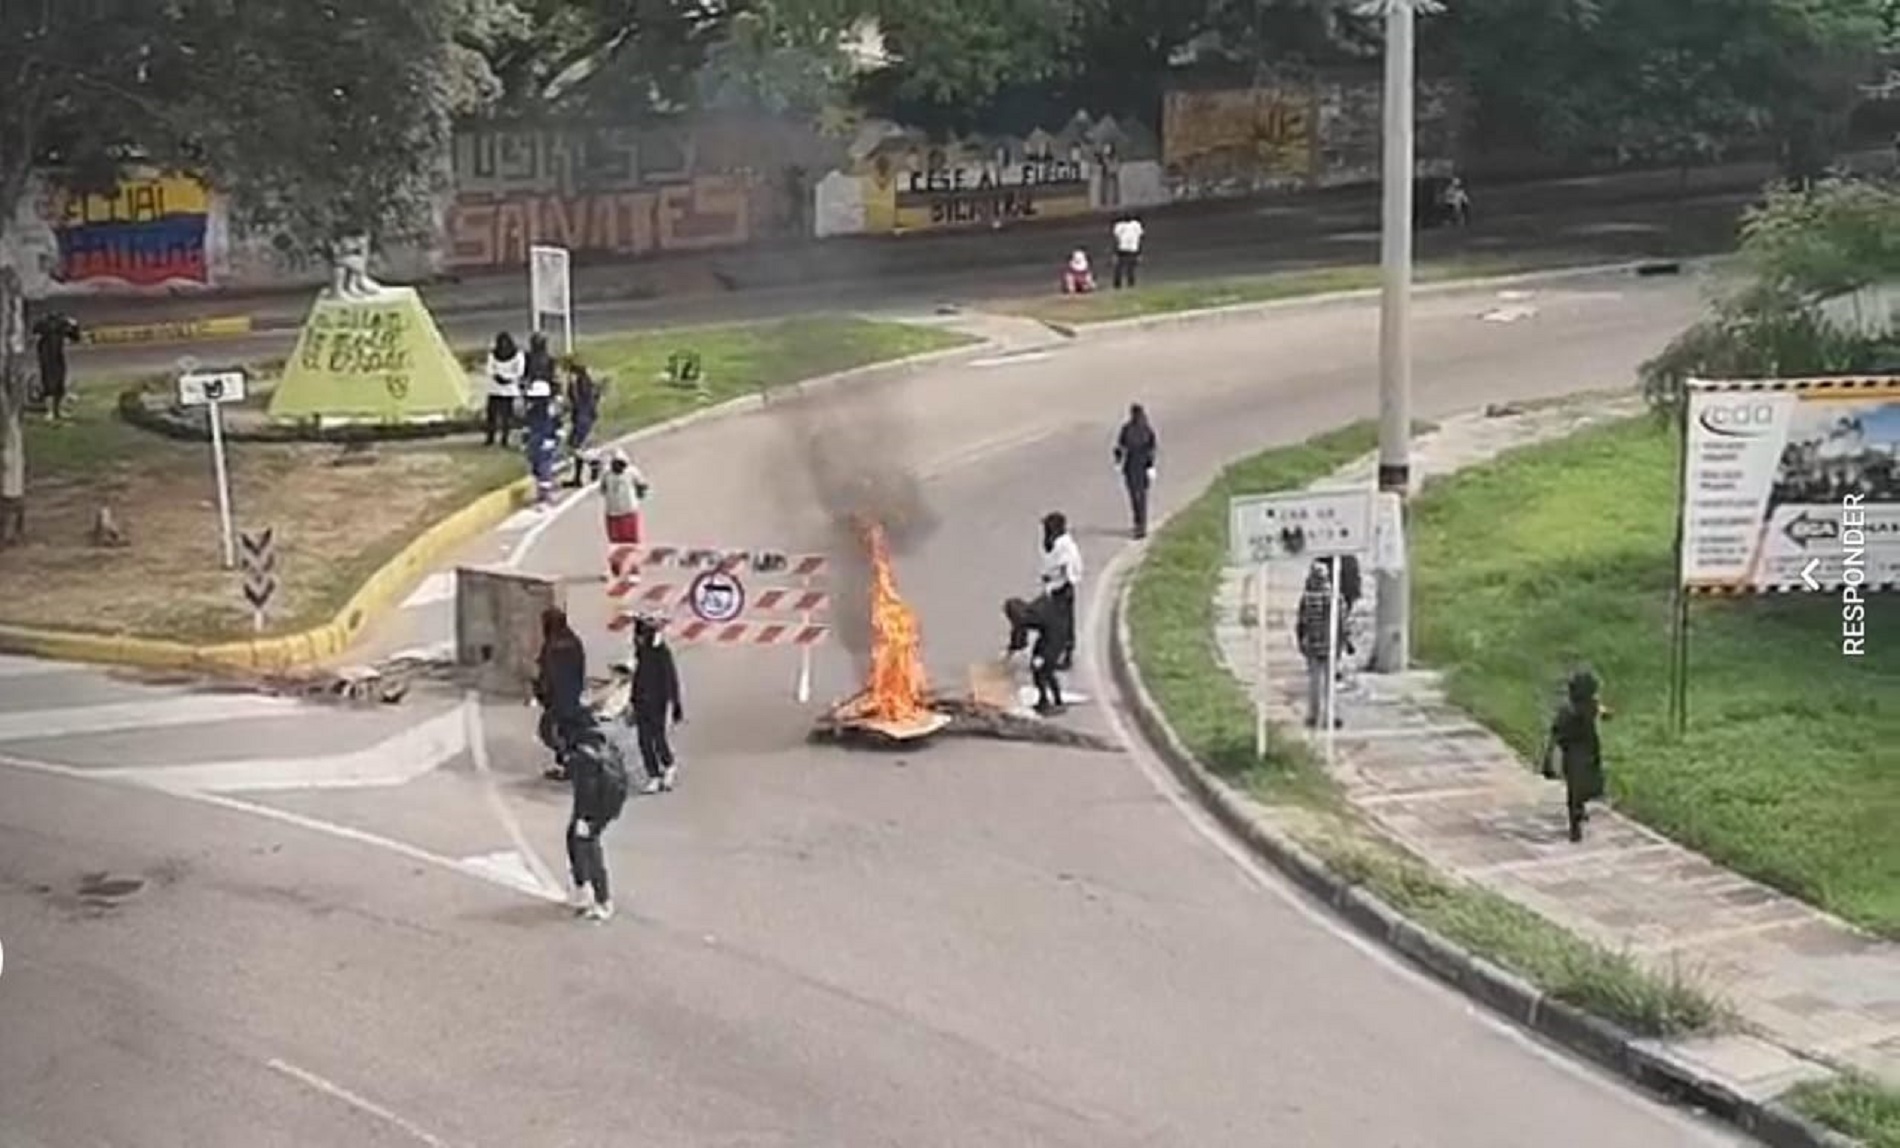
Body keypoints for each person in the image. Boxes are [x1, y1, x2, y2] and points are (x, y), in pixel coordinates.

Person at [563, 716, 628, 921]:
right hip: (606, 806)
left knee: (588, 847)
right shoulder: (602, 745)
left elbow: (586, 791)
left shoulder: (583, 758)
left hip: (592, 810)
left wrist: (585, 819)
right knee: (576, 840)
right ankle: (582, 887)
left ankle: (601, 899)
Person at [1541, 670, 1612, 843]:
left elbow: (1555, 734)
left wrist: (1550, 755)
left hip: (1575, 752)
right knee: (1581, 786)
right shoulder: (1577, 709)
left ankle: (1577, 812)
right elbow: (1600, 712)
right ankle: (1576, 819)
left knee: (1577, 787)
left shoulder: (1573, 708)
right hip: (1581, 751)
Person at [626, 613, 685, 795]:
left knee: (658, 738)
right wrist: (632, 702)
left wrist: (676, 704)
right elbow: (636, 679)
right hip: (641, 702)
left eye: (640, 636)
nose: (637, 639)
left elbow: (670, 679)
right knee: (644, 741)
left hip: (658, 702)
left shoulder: (661, 653)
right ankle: (653, 775)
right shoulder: (640, 653)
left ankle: (668, 765)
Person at [533, 606, 588, 782]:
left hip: (557, 697)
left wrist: (541, 692)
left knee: (549, 732)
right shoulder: (573, 640)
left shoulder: (552, 645)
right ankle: (568, 764)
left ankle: (569, 764)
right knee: (567, 731)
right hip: (573, 694)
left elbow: (548, 673)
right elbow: (580, 667)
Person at [1294, 560, 1345, 730]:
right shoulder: (1335, 597)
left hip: (1313, 645)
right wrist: (1342, 643)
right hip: (1330, 644)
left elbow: (1301, 623)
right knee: (1330, 683)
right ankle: (1332, 715)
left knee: (1314, 682)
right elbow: (1341, 623)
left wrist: (1301, 641)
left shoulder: (1306, 598)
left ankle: (1313, 715)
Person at [1003, 595, 1068, 715]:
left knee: (1043, 671)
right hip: (1050, 637)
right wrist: (1012, 649)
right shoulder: (1030, 612)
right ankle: (1050, 700)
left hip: (1053, 640)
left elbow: (1020, 635)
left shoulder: (1029, 617)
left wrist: (1042, 656)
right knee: (1043, 671)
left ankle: (1051, 702)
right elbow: (1019, 635)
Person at [1038, 511, 1082, 671]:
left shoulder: (1065, 546)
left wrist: (1064, 582)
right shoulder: (1055, 543)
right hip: (1055, 588)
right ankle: (1054, 651)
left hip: (1062, 589)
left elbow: (1070, 566)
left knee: (1063, 624)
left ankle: (1064, 654)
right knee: (1054, 622)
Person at [1112, 403, 1158, 539]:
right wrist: (1150, 466)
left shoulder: (1127, 429)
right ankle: (1141, 525)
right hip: (1142, 466)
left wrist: (1118, 461)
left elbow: (1120, 447)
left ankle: (1139, 524)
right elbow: (1151, 449)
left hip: (1131, 466)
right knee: (1142, 497)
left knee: (1134, 497)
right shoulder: (1147, 429)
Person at [31, 309, 81, 423]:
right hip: (47, 357)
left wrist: (74, 326)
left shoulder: (59, 325)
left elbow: (75, 337)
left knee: (58, 383)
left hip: (56, 357)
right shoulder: (47, 326)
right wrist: (74, 326)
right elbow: (74, 337)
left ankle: (56, 411)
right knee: (50, 384)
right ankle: (51, 411)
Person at [600, 448, 649, 546]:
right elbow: (603, 489)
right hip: (613, 513)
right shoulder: (606, 474)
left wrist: (640, 492)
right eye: (616, 464)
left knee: (632, 541)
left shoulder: (632, 472)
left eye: (621, 464)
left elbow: (643, 485)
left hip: (629, 512)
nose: (619, 467)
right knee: (616, 543)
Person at [483, 331, 524, 447]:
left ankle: (504, 438)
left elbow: (519, 371)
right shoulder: (493, 355)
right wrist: (497, 377)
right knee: (492, 415)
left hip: (509, 390)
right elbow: (489, 369)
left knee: (507, 416)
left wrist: (508, 378)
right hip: (494, 389)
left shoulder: (517, 355)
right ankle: (490, 437)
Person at [565, 358, 600, 486]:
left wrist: (570, 385)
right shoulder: (588, 382)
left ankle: (593, 463)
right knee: (579, 447)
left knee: (572, 447)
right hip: (587, 417)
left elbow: (574, 400)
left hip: (581, 419)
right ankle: (577, 477)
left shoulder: (578, 384)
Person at [1111, 212, 1143, 289]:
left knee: (1120, 267)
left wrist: (1114, 251)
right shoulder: (1136, 225)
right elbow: (1139, 238)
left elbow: (1116, 239)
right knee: (1129, 268)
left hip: (1123, 248)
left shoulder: (1119, 225)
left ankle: (1118, 284)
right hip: (1132, 248)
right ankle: (1130, 283)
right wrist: (1139, 252)